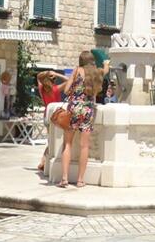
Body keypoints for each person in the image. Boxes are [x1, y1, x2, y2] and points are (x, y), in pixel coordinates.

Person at [57, 51, 109, 188]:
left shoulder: (77, 70)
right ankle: (80, 180)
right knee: (84, 146)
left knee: (67, 144)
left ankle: (64, 179)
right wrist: (106, 62)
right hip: (88, 110)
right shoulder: (97, 73)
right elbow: (106, 70)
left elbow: (66, 90)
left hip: (73, 109)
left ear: (81, 60)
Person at [36, 70, 67, 173]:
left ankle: (43, 162)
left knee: (50, 141)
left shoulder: (42, 89)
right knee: (54, 142)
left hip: (46, 116)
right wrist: (56, 73)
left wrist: (47, 73)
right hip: (56, 116)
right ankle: (44, 162)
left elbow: (38, 76)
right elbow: (69, 80)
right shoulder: (56, 89)